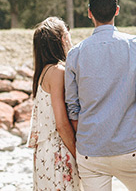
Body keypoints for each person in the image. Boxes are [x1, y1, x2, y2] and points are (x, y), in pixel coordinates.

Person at [65, 0, 136, 191]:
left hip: (90, 152)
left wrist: (90, 138)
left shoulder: (75, 54)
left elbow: (72, 108)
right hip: (130, 149)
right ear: (117, 11)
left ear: (89, 13)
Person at [28, 16, 82, 190]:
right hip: (59, 151)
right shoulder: (58, 72)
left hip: (44, 154)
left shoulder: (43, 72)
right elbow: (61, 124)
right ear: (62, 39)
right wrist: (80, 157)